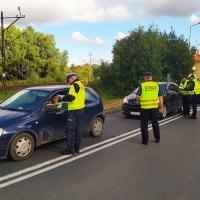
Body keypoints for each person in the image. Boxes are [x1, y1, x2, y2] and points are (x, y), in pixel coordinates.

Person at [61, 73, 86, 155]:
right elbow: (77, 96)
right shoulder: (81, 85)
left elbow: (71, 97)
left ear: (71, 78)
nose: (68, 81)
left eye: (68, 80)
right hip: (81, 110)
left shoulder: (73, 86)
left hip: (73, 111)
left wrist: (62, 97)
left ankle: (70, 149)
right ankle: (77, 148)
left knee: (70, 130)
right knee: (78, 130)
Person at [136, 72, 164, 145]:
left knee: (144, 124)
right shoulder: (156, 85)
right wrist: (161, 107)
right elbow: (160, 97)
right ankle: (157, 139)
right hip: (154, 108)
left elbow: (137, 97)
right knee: (155, 123)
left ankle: (145, 141)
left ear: (145, 77)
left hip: (144, 108)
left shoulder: (142, 85)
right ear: (151, 77)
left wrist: (141, 102)